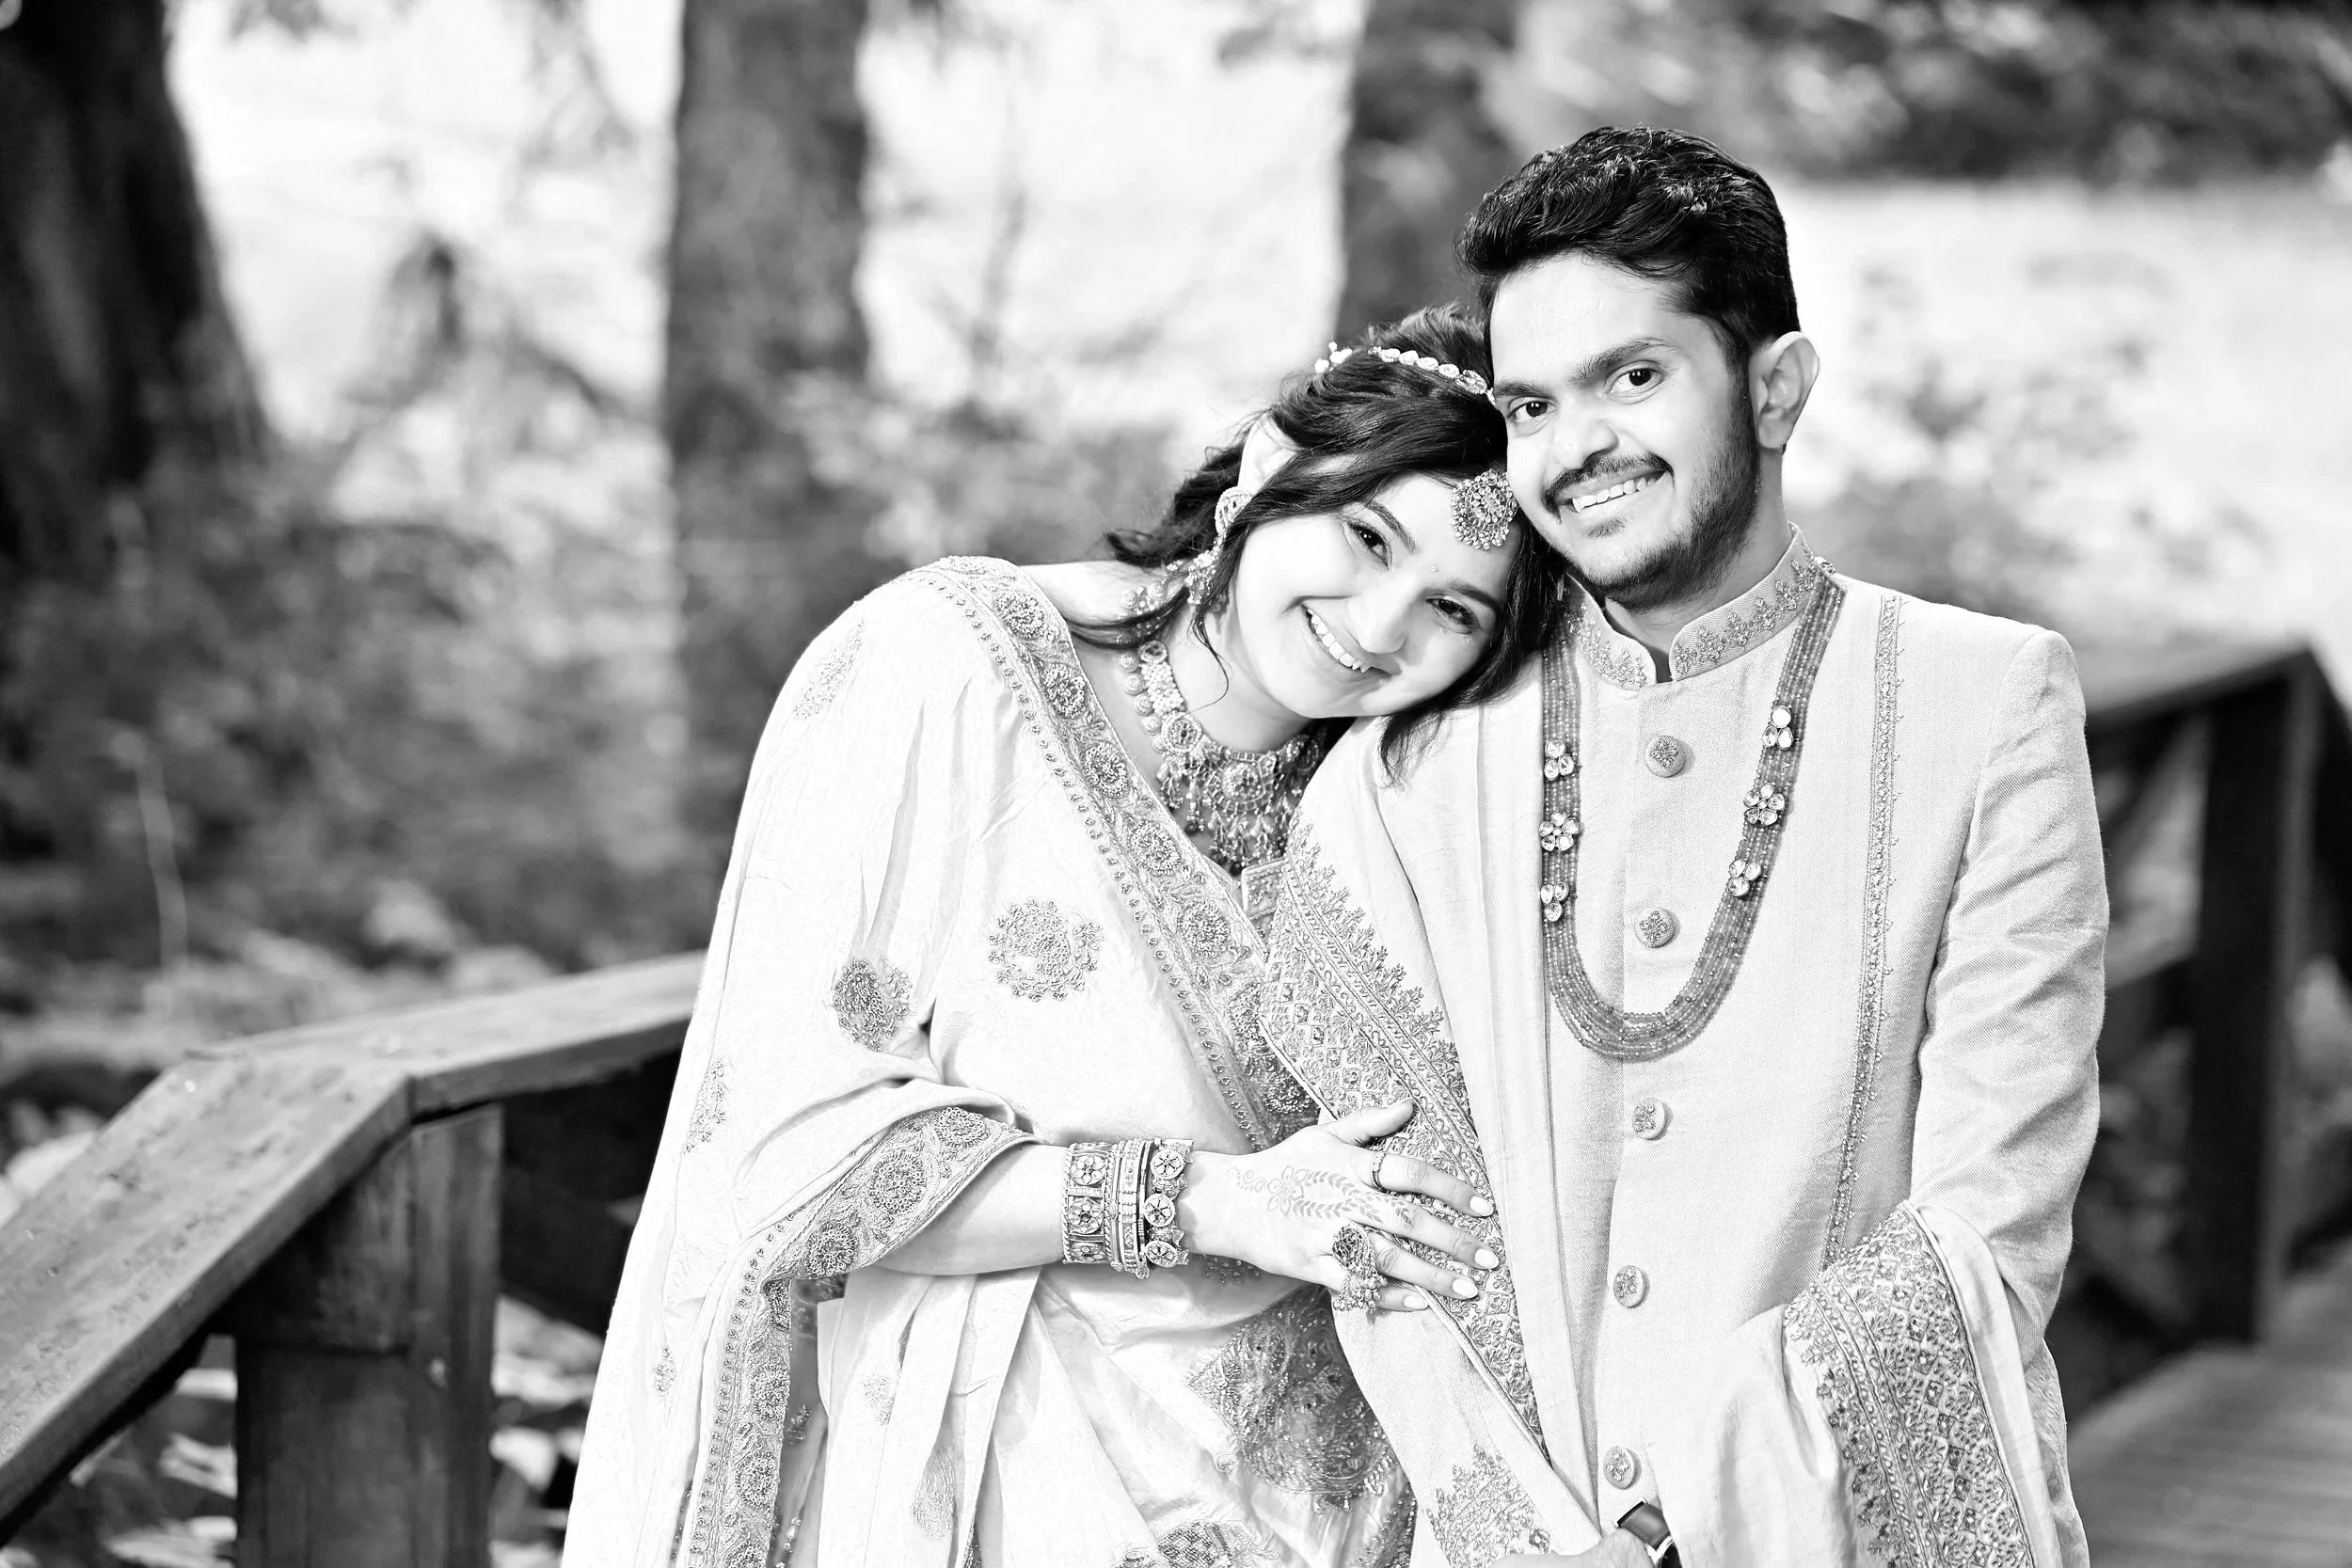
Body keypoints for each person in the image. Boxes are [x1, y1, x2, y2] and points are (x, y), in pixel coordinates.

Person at [565, 305, 1575, 1568]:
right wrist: (1211, 1201)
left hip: (1329, 1501)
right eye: (1368, 537)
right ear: (1272, 463)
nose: (1379, 627)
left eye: (1455, 611)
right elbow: (786, 1154)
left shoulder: (1410, 800)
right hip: (997, 1473)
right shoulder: (942, 665)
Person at [1260, 130, 2104, 1566]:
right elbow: (1395, 1250)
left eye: (1633, 377)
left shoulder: (1986, 703)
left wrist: (1678, 1529)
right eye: (1532, 404)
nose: (1576, 445)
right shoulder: (1403, 772)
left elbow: (1988, 1222)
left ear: (1776, 388)